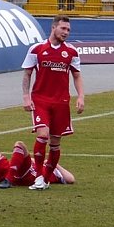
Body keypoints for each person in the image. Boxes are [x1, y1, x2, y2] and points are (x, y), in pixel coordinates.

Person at [21, 15, 85, 191]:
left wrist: (81, 96)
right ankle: (39, 176)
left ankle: (46, 179)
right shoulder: (37, 49)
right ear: (54, 28)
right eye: (63, 29)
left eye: (68, 30)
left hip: (61, 102)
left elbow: (77, 75)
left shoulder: (71, 52)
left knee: (55, 143)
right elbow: (27, 74)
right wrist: (26, 96)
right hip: (40, 99)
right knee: (43, 135)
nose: (66, 32)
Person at [0, 140, 75, 188]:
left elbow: (71, 179)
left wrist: (55, 164)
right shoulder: (39, 163)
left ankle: (9, 180)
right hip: (13, 169)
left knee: (20, 144)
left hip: (27, 175)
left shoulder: (52, 171)